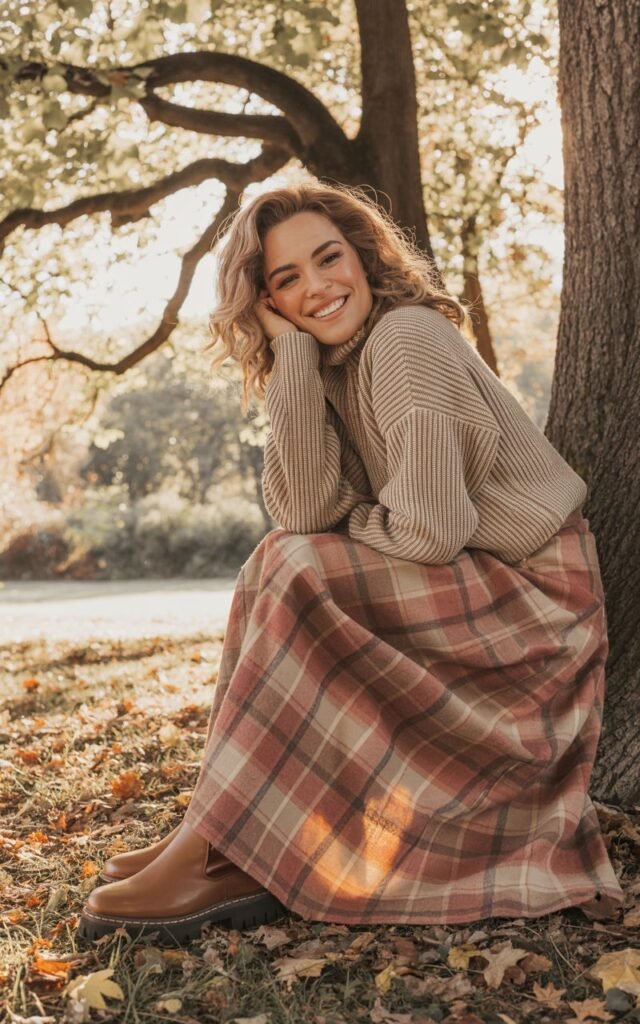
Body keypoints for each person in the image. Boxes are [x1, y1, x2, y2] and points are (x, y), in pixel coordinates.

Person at [78, 182, 622, 945]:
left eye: (328, 258)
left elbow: (427, 532)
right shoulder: (328, 362)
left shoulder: (405, 338)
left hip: (533, 599)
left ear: (363, 256)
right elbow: (304, 509)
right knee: (278, 558)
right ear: (267, 300)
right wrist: (294, 354)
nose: (317, 286)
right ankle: (218, 827)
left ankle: (223, 845)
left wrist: (353, 520)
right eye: (287, 278)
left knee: (295, 564)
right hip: (475, 581)